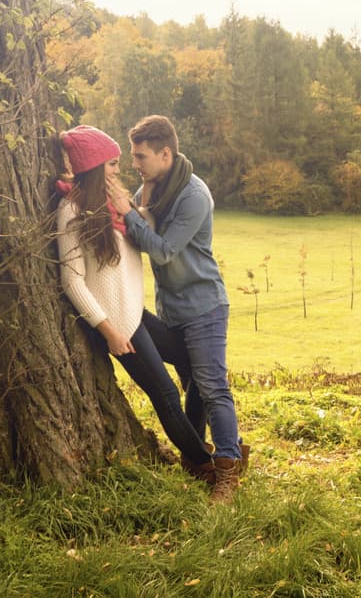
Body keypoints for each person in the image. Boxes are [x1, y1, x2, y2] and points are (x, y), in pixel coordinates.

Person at [55, 125, 216, 487]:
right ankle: (207, 465)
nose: (117, 170)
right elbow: (72, 281)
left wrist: (130, 208)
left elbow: (150, 236)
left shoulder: (115, 205)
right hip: (116, 323)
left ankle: (194, 448)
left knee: (196, 364)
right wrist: (107, 330)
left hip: (135, 313)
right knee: (165, 393)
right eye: (110, 164)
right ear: (94, 167)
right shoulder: (71, 210)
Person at [107, 115, 244, 503]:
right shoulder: (151, 187)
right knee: (194, 386)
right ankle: (196, 457)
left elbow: (164, 251)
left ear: (165, 153)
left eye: (141, 156)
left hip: (203, 308)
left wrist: (130, 212)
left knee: (212, 387)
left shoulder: (193, 195)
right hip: (171, 310)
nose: (135, 164)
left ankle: (227, 474)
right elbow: (138, 228)